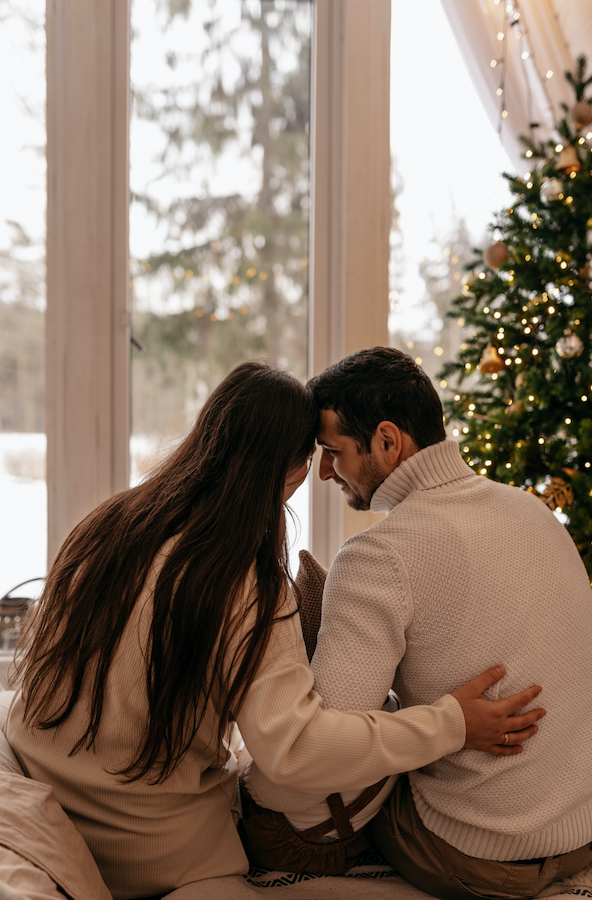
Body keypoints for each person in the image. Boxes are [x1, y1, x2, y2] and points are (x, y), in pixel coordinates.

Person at [4, 360, 543, 900]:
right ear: (285, 466)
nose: (326, 473)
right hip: (151, 849)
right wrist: (451, 725)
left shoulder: (109, 519)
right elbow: (296, 750)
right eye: (315, 457)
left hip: (39, 778)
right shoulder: (241, 579)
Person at [245, 347, 592, 899]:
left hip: (479, 853)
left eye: (333, 451)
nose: (325, 471)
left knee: (291, 803)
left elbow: (322, 759)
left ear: (387, 440)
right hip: (578, 828)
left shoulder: (378, 556)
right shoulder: (533, 509)